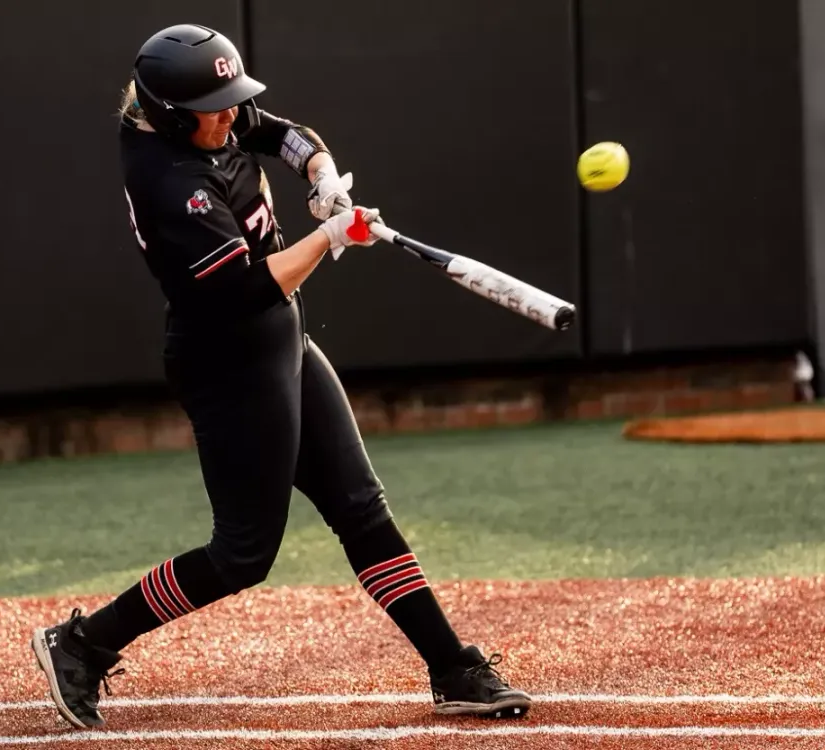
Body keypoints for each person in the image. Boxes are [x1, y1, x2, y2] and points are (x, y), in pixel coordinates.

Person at [30, 24, 533, 730]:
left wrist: (322, 176)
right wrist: (329, 237)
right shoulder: (170, 180)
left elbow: (284, 133)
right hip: (226, 360)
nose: (230, 116)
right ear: (172, 116)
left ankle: (452, 666)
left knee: (361, 508)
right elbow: (244, 288)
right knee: (243, 554)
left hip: (279, 338)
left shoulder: (206, 118)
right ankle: (84, 643)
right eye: (215, 109)